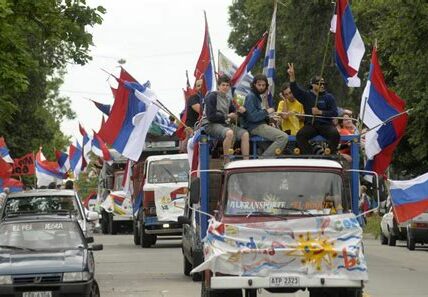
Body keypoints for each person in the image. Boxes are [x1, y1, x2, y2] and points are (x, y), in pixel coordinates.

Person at [287, 63, 340, 154]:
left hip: (326, 125)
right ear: (312, 85)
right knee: (300, 136)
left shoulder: (329, 97)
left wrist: (320, 112)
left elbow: (334, 113)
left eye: (323, 84)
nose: (322, 85)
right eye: (319, 83)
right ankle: (311, 156)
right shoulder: (307, 96)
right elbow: (295, 90)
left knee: (335, 134)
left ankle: (329, 154)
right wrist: (292, 76)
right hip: (311, 125)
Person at [201, 74, 250, 160]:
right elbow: (211, 116)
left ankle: (246, 161)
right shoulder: (211, 96)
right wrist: (227, 116)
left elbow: (234, 113)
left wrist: (241, 112)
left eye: (227, 85)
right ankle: (226, 162)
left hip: (224, 125)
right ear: (218, 86)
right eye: (223, 85)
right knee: (229, 133)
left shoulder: (228, 99)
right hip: (210, 124)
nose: (225, 87)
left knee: (245, 134)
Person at [243, 74, 288, 156]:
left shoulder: (256, 96)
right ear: (254, 85)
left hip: (258, 125)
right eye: (259, 85)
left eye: (263, 85)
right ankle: (263, 161)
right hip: (255, 127)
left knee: (273, 146)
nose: (261, 87)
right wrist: (267, 111)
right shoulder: (251, 96)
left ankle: (267, 160)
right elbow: (252, 117)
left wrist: (270, 118)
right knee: (283, 137)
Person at [181, 79, 204, 153]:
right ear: (195, 87)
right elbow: (200, 110)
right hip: (191, 126)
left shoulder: (204, 97)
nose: (200, 87)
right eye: (198, 86)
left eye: (202, 85)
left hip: (200, 126)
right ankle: (184, 155)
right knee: (189, 145)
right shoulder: (194, 97)